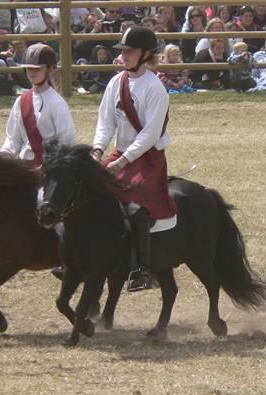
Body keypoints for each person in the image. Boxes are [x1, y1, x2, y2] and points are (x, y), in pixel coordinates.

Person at [0, 43, 76, 270]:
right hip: (23, 168)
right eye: (29, 68)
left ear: (50, 70)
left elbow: (67, 143)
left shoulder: (58, 104)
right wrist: (0, 162)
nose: (32, 72)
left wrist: (46, 168)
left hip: (49, 171)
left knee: (43, 202)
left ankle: (69, 254)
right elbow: (12, 139)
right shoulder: (21, 101)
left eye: (37, 68)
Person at [92, 26, 176, 292]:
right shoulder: (116, 83)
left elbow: (151, 134)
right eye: (123, 51)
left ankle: (142, 268)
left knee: (136, 204)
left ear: (146, 54)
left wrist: (123, 160)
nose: (124, 56)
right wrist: (97, 150)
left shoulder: (156, 89)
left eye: (130, 51)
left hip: (147, 158)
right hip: (120, 153)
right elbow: (105, 122)